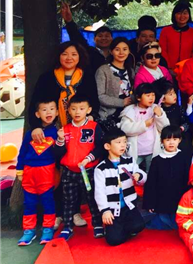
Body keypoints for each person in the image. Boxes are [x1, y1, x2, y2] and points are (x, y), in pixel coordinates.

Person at [54, 93, 104, 240]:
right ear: (68, 110)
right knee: (68, 200)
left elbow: (100, 148)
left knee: (92, 198)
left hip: (88, 170)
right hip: (69, 171)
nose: (77, 112)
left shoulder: (94, 127)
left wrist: (88, 159)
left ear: (88, 110)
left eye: (81, 108)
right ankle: (68, 227)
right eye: (74, 109)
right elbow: (58, 153)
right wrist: (60, 140)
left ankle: (98, 225)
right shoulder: (65, 129)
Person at [16, 100, 60, 246]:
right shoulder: (30, 134)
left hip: (47, 172)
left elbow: (60, 153)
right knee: (29, 202)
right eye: (44, 109)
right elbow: (22, 152)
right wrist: (20, 170)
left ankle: (48, 228)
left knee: (48, 201)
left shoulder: (58, 132)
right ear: (37, 114)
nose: (48, 112)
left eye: (52, 109)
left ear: (57, 112)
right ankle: (29, 230)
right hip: (29, 172)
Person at [94, 128, 147, 246]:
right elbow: (99, 192)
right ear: (107, 146)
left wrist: (139, 176)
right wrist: (105, 210)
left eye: (124, 142)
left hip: (129, 206)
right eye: (118, 142)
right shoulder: (101, 168)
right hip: (113, 209)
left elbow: (143, 176)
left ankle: (122, 228)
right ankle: (116, 229)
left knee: (139, 225)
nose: (123, 145)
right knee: (114, 240)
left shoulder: (130, 161)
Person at [30, 41, 100, 130]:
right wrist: (36, 127)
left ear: (80, 56)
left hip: (81, 127)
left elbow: (94, 102)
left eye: (74, 54)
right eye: (64, 54)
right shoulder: (47, 77)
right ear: (58, 56)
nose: (69, 58)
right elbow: (35, 103)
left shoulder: (87, 77)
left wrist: (91, 117)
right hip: (52, 128)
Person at [143, 126, 190, 230]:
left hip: (180, 199)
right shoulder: (157, 160)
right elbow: (151, 183)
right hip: (162, 200)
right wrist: (150, 203)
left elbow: (187, 180)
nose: (171, 142)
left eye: (175, 139)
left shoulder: (184, 158)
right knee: (161, 226)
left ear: (179, 140)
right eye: (168, 139)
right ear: (162, 141)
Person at [119, 82, 170, 172]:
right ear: (138, 97)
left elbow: (165, 129)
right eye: (148, 95)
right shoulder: (130, 110)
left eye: (153, 95)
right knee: (131, 173)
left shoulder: (156, 108)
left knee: (152, 173)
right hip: (135, 151)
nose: (151, 98)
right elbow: (125, 129)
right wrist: (144, 125)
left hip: (152, 150)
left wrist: (160, 116)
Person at [60, 2, 111, 74]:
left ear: (112, 38)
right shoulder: (88, 52)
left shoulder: (118, 54)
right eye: (100, 36)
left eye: (107, 36)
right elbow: (77, 38)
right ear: (94, 39)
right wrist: (69, 21)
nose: (103, 38)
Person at [95, 37, 135, 127]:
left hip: (129, 113)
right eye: (117, 49)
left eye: (125, 49)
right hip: (110, 115)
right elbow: (101, 96)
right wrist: (122, 102)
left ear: (129, 51)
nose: (121, 53)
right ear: (111, 51)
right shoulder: (103, 70)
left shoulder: (130, 70)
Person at [159, 0, 193, 68]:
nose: (182, 16)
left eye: (185, 13)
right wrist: (168, 67)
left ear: (189, 15)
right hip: (168, 68)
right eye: (179, 13)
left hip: (189, 68)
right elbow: (162, 50)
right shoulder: (165, 31)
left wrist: (189, 66)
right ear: (174, 15)